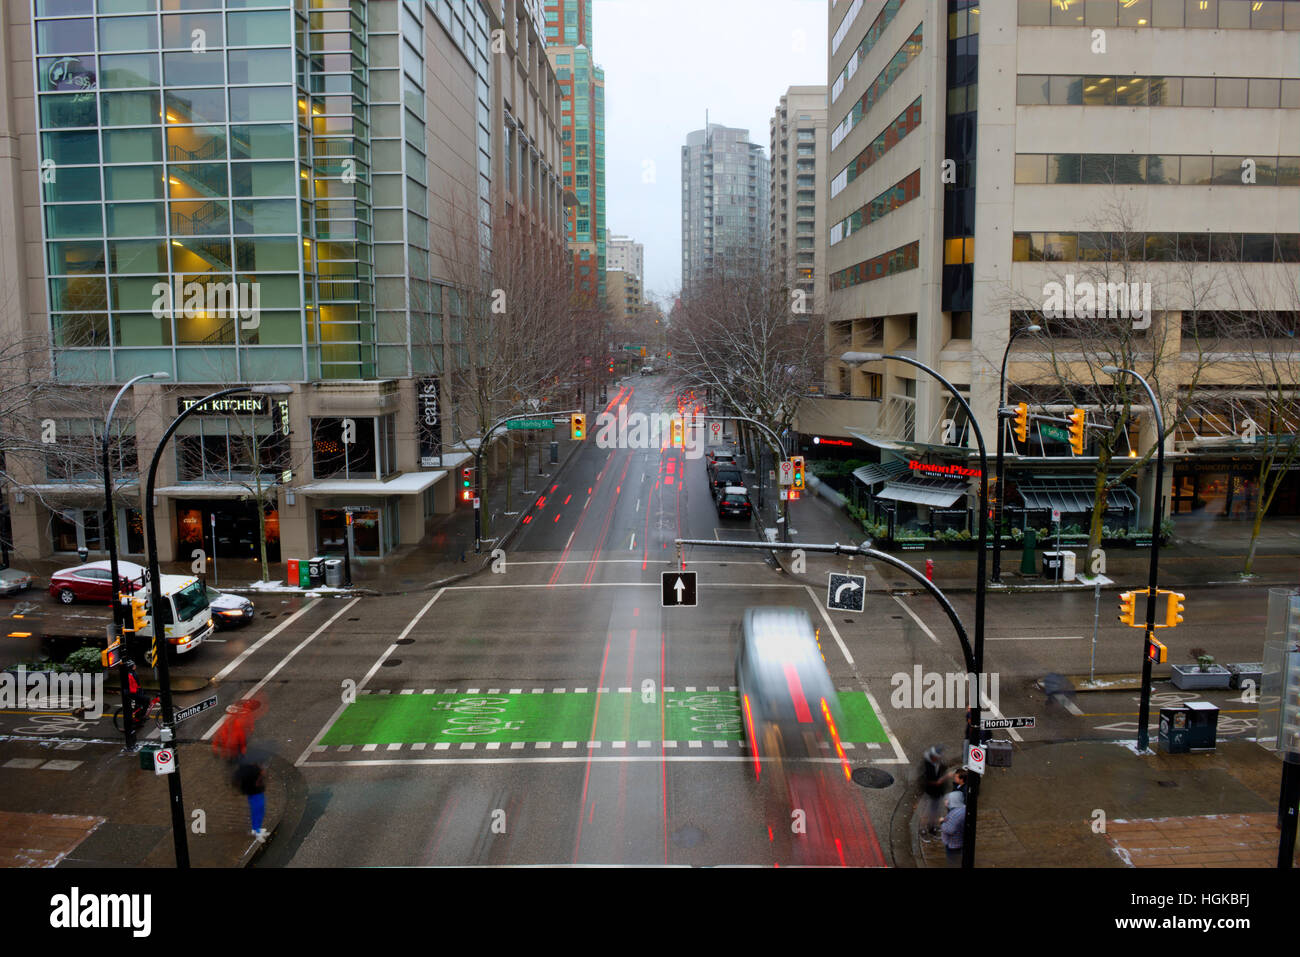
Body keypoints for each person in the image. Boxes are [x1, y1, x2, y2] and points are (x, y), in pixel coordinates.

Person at [917, 745, 950, 840]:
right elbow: (926, 780)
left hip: (938, 792)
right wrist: (942, 779)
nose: (940, 758)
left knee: (936, 812)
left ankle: (932, 828)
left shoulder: (940, 763)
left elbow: (942, 772)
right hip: (929, 792)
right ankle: (923, 829)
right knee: (926, 813)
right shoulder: (926, 765)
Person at [234, 756, 267, 839]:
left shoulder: (253, 768)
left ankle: (257, 828)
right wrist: (260, 774)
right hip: (254, 792)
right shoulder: (248, 770)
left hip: (257, 791)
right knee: (257, 810)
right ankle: (256, 829)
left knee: (260, 809)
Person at [940, 790, 966, 866]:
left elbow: (949, 830)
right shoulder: (963, 808)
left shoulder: (954, 815)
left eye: (948, 799)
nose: (946, 801)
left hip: (953, 844)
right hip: (960, 841)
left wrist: (942, 823)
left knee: (953, 863)